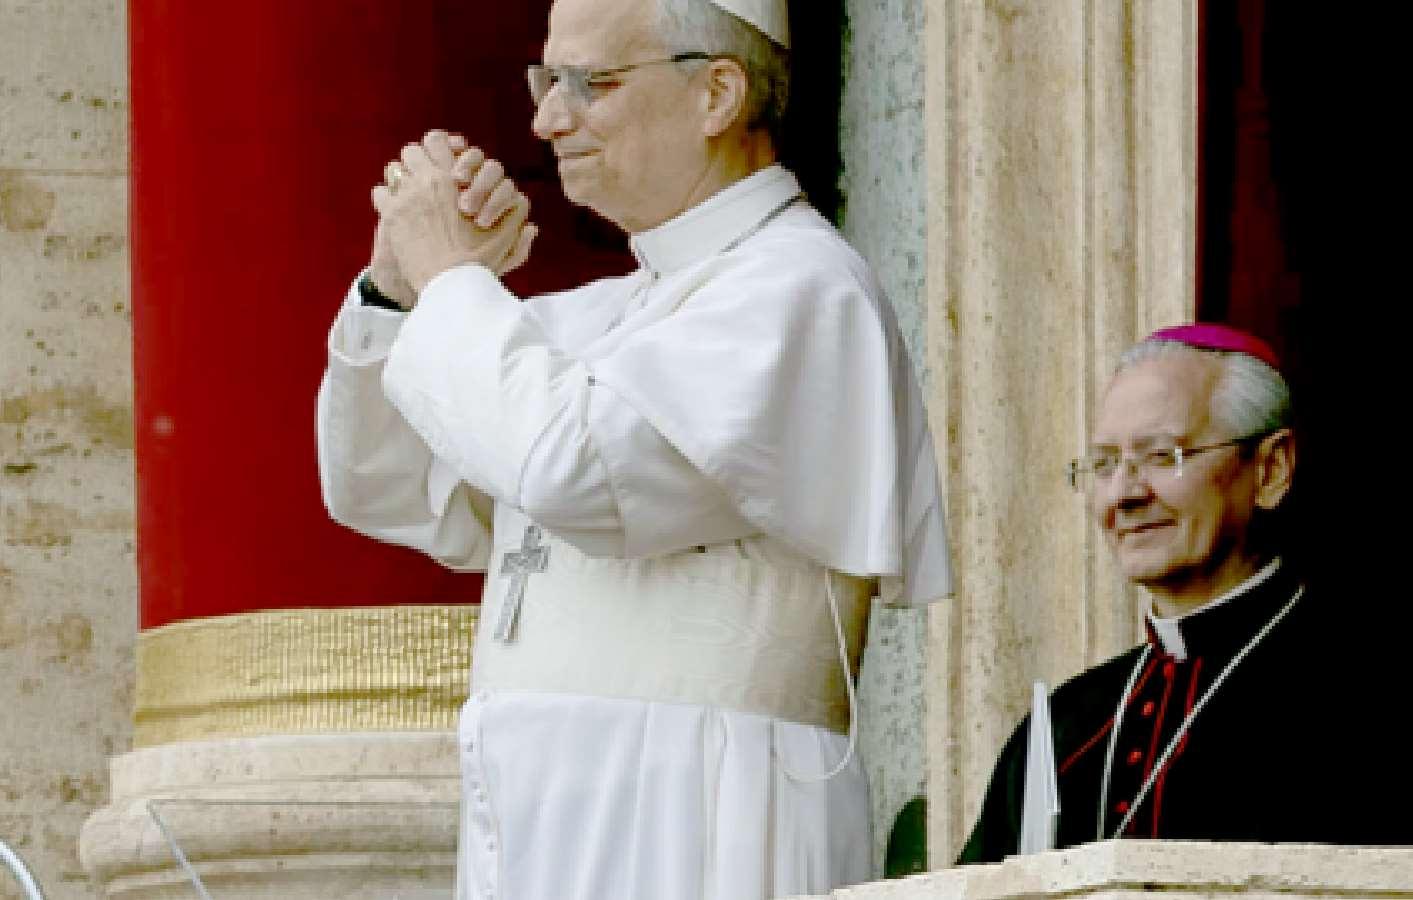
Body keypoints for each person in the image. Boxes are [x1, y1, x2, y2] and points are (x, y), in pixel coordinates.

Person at [315, 0, 953, 897]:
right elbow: (377, 485)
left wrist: (451, 279)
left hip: (698, 805)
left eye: (592, 83)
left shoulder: (800, 286)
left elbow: (573, 470)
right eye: (547, 81)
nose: (547, 119)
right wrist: (397, 288)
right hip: (545, 807)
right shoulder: (602, 312)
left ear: (717, 93)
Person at [957, 324, 1395, 863]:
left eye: (1163, 456)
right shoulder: (1063, 729)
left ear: (1270, 470)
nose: (1124, 494)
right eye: (1103, 465)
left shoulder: (1366, 700)